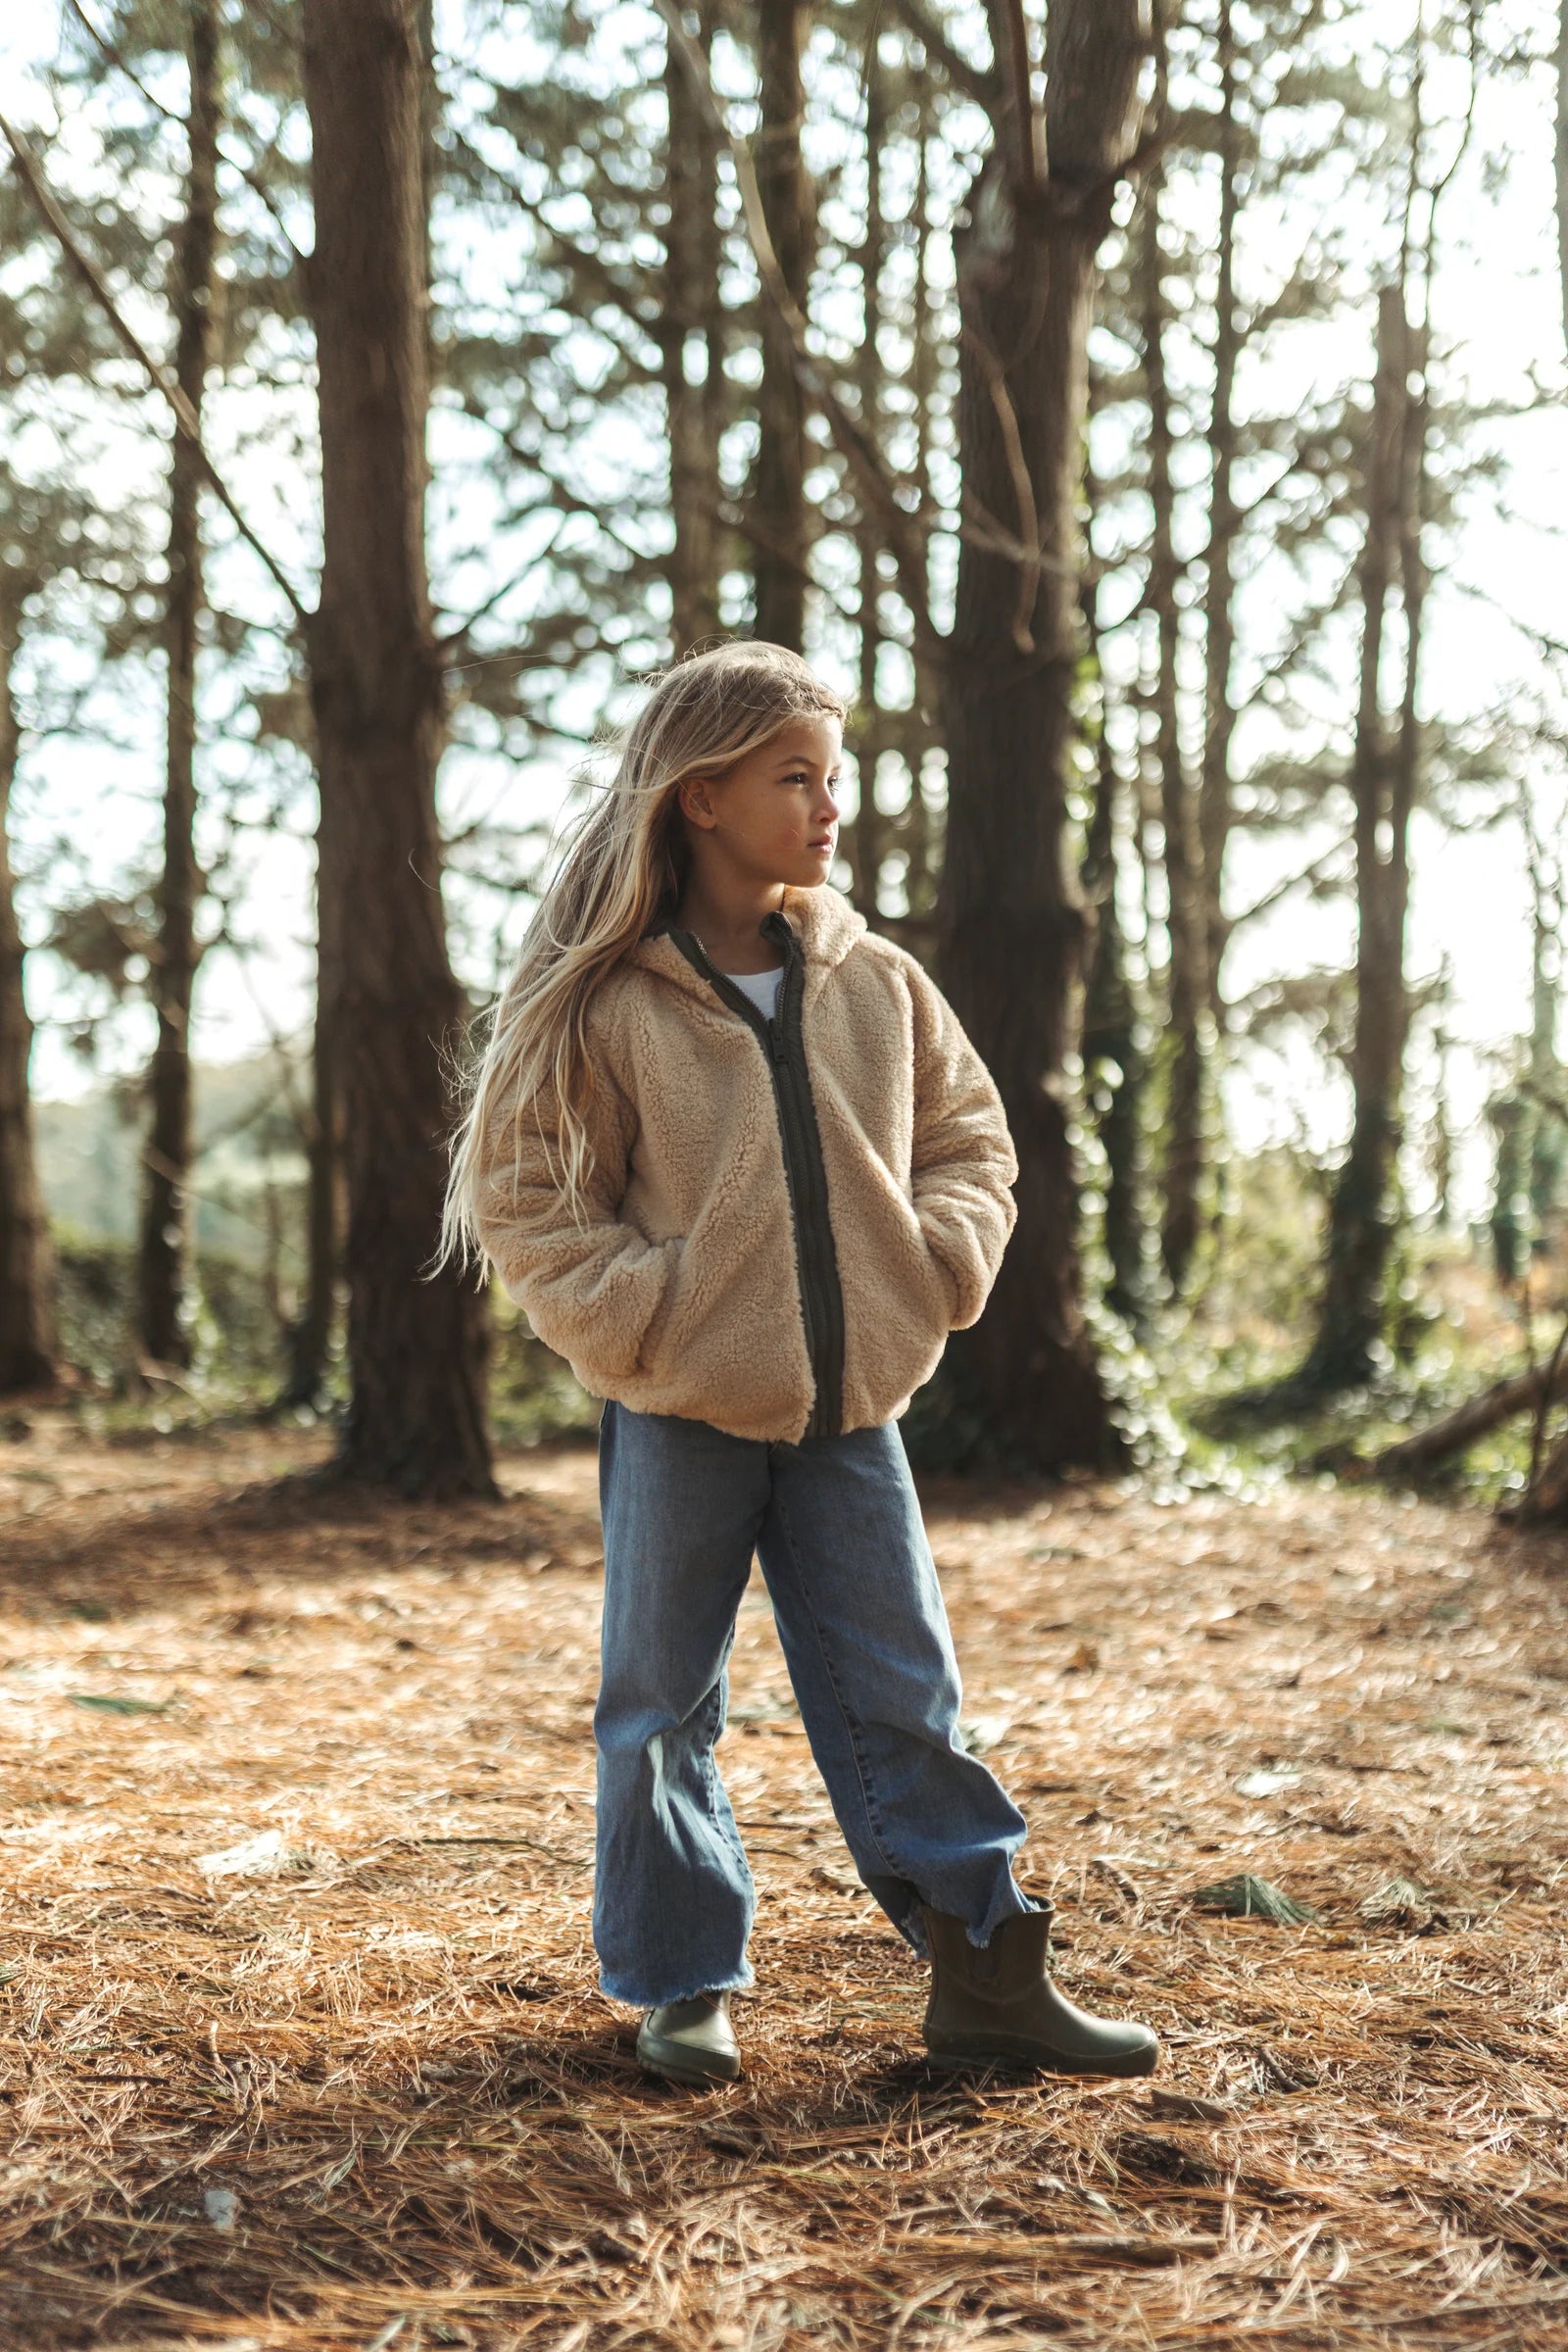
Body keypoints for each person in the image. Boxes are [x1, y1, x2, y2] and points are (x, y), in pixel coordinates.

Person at [440, 643, 1157, 2088]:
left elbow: (974, 1144)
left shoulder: (873, 979)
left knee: (908, 1697)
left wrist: (934, 1271)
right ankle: (681, 1984)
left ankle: (987, 1973)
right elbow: (524, 1196)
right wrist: (652, 1316)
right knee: (659, 1712)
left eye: (837, 777)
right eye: (797, 778)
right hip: (680, 1414)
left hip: (853, 1418)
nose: (831, 806)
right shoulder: (615, 999)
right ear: (701, 797)